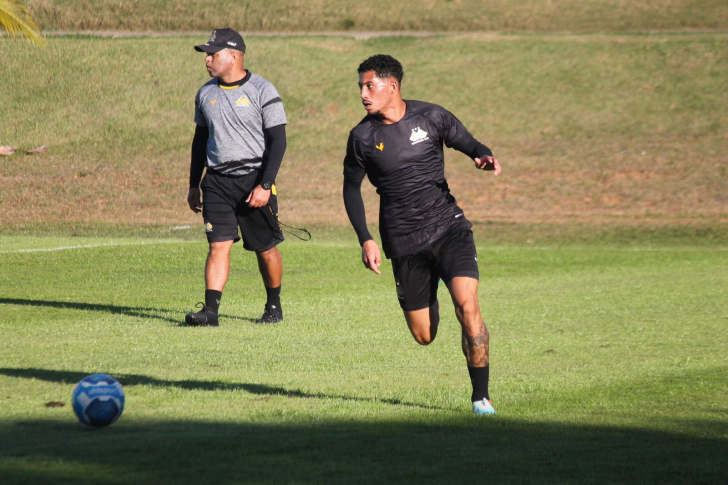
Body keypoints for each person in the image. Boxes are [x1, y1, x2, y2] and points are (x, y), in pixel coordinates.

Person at [342, 55, 502, 415]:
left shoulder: (431, 116)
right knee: (424, 335)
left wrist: (483, 155)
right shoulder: (362, 137)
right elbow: (351, 189)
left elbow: (468, 142)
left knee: (469, 306)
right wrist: (365, 238)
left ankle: (481, 398)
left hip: (448, 227)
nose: (364, 95)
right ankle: (430, 293)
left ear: (392, 86)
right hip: (403, 241)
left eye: (370, 86)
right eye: (361, 88)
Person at [185, 28, 287, 326]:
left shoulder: (262, 90)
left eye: (213, 54)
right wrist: (193, 184)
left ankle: (273, 305)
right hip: (216, 181)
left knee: (265, 249)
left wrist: (265, 185)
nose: (208, 60)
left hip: (254, 179)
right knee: (218, 245)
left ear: (234, 56)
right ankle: (210, 313)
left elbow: (278, 141)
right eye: (207, 54)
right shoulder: (205, 93)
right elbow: (199, 141)